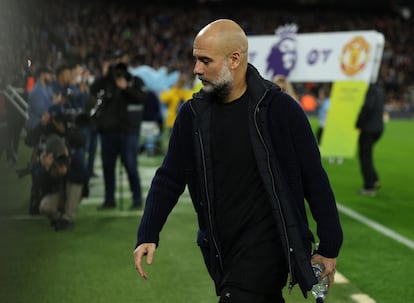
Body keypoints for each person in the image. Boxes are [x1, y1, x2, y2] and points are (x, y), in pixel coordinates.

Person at [133, 19, 343, 303]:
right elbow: (169, 176)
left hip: (268, 247)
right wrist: (148, 232)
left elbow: (313, 177)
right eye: (195, 59)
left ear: (234, 59)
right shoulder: (192, 115)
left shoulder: (280, 110)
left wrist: (329, 245)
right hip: (221, 247)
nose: (196, 69)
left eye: (205, 61)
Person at [90, 62, 147, 210]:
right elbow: (92, 90)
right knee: (108, 167)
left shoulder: (133, 80)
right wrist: (103, 76)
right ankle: (109, 200)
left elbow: (141, 98)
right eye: (116, 71)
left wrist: (126, 88)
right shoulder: (106, 81)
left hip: (127, 132)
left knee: (130, 165)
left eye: (121, 71)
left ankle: (137, 199)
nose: (119, 74)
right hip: (108, 132)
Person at [25, 104, 87, 230]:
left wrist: (66, 172)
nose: (57, 124)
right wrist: (47, 169)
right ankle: (59, 218)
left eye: (60, 121)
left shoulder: (73, 144)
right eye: (55, 120)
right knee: (44, 207)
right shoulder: (45, 136)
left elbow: (83, 177)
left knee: (75, 183)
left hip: (70, 188)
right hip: (55, 189)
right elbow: (28, 140)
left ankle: (68, 219)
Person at [355, 81, 385, 197]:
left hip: (368, 129)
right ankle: (374, 179)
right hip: (378, 128)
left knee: (364, 157)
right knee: (367, 155)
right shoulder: (380, 89)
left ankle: (369, 187)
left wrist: (359, 122)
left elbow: (368, 106)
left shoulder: (371, 90)